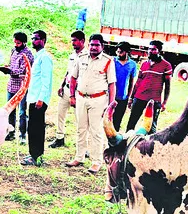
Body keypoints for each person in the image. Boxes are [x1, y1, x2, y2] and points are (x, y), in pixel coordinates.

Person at [66, 34, 116, 174]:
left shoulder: (108, 61)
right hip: (81, 97)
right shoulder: (81, 58)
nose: (93, 47)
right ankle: (79, 157)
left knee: (96, 131)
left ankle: (96, 161)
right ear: (88, 45)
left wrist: (111, 104)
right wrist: (72, 96)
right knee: (81, 129)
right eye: (92, 45)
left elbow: (112, 84)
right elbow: (73, 78)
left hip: (98, 100)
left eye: (97, 45)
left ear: (102, 46)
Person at [49, 31, 87, 148]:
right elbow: (68, 72)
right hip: (66, 90)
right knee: (60, 114)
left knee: (81, 120)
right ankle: (59, 138)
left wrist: (75, 95)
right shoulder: (72, 55)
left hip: (78, 92)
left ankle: (82, 145)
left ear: (82, 41)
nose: (72, 43)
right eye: (72, 40)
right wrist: (61, 84)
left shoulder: (87, 56)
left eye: (75, 40)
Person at [21, 30, 53, 167]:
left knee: (37, 129)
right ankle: (33, 153)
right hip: (32, 98)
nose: (33, 41)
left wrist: (41, 99)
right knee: (32, 128)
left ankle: (36, 156)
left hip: (38, 100)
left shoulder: (45, 57)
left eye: (36, 39)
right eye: (32, 38)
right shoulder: (37, 56)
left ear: (43, 40)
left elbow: (47, 80)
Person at [126, 40, 172, 134]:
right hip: (138, 98)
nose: (150, 51)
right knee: (131, 124)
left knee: (151, 128)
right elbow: (137, 83)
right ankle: (125, 144)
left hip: (154, 101)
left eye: (153, 49)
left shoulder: (166, 65)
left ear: (159, 51)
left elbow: (167, 86)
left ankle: (150, 147)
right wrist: (131, 98)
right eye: (149, 49)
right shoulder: (144, 64)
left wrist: (164, 103)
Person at [0, 32, 34, 143]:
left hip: (22, 86)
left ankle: (22, 134)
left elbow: (24, 71)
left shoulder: (28, 54)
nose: (16, 45)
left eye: (18, 43)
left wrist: (11, 71)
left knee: (22, 111)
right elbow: (11, 64)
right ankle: (10, 132)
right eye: (15, 42)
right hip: (11, 84)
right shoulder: (13, 50)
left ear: (23, 43)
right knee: (10, 110)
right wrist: (6, 68)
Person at [112, 42, 137, 131]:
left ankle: (113, 143)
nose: (118, 54)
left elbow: (132, 82)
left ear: (127, 52)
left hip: (123, 98)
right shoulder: (113, 61)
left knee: (117, 121)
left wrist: (128, 97)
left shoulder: (132, 64)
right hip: (111, 96)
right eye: (117, 52)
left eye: (121, 52)